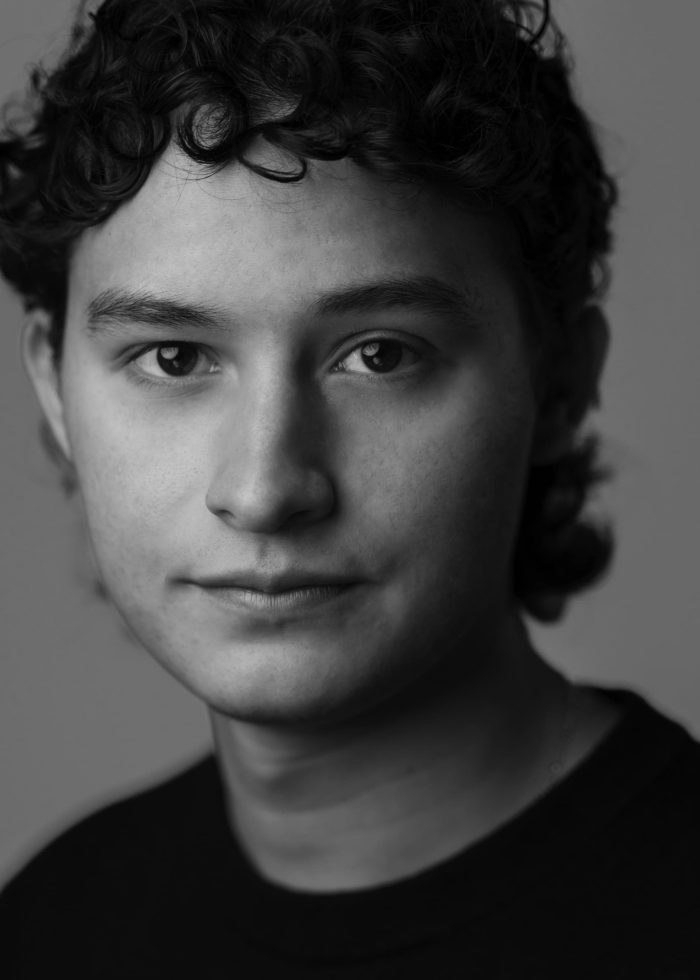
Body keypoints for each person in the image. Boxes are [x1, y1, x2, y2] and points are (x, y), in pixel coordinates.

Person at [1, 0, 698, 975]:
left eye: (378, 354)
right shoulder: (57, 923)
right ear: (55, 386)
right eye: (173, 355)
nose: (265, 487)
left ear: (558, 383)